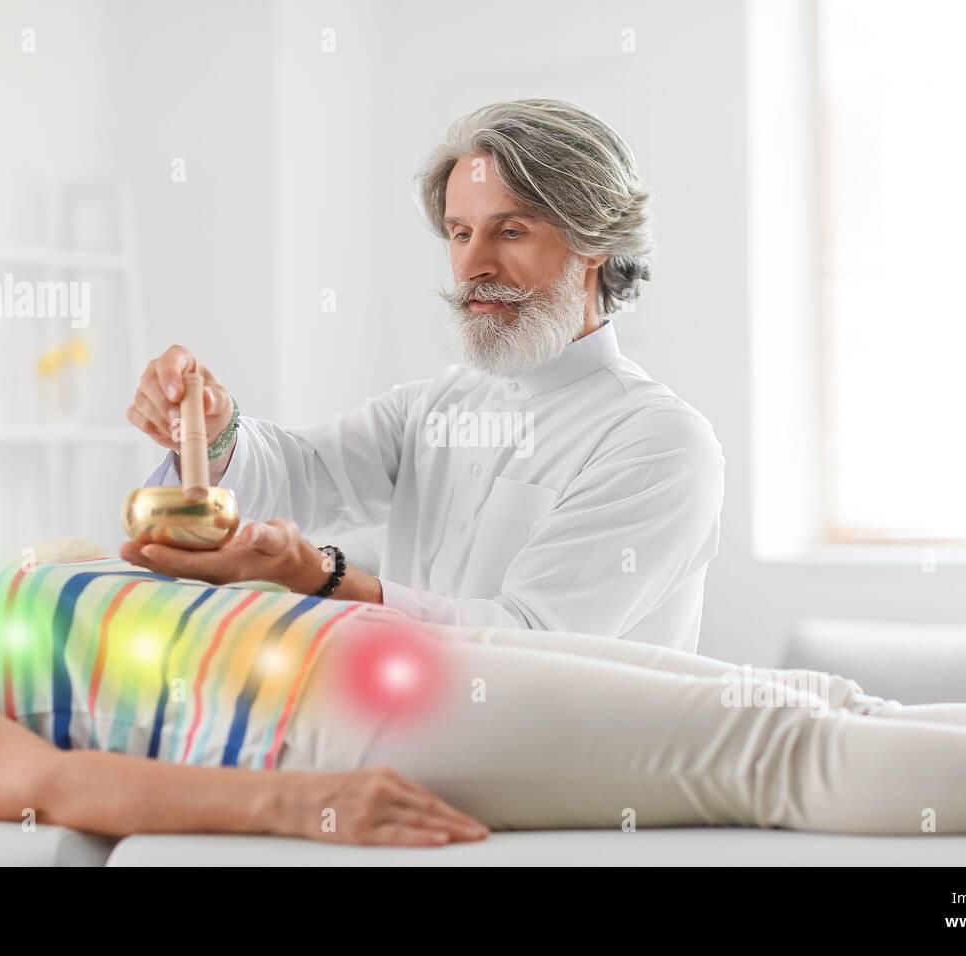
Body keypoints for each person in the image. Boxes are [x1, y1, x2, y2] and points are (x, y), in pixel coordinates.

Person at [0, 550, 966, 845]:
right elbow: (42, 782)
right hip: (329, 726)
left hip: (349, 657)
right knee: (779, 750)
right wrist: (307, 804)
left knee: (802, 691)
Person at [124, 98, 725, 652]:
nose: (471, 265)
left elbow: (534, 643)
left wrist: (323, 577)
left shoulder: (659, 442)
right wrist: (218, 428)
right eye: (459, 233)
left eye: (509, 231)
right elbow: (302, 474)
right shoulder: (436, 406)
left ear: (595, 243)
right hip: (417, 748)